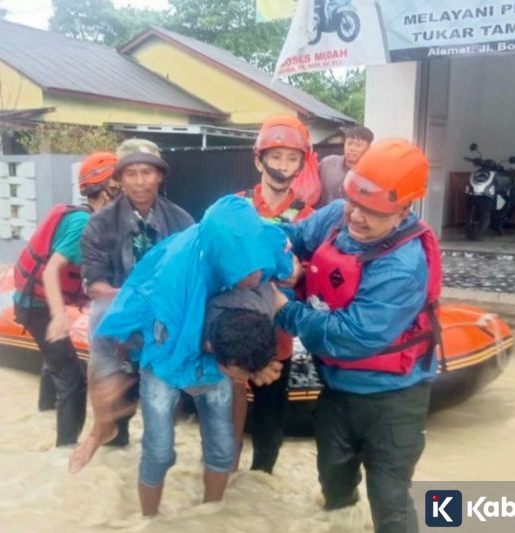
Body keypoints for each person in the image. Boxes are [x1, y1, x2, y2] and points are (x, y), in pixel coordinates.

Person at [272, 139, 442, 533]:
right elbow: (291, 237)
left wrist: (283, 309)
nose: (357, 217)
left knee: (390, 502)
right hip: (336, 389)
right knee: (333, 483)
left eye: (373, 211)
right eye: (354, 202)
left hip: (393, 400)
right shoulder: (338, 215)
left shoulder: (403, 266)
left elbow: (351, 336)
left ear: (403, 210)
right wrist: (284, 262)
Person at [92, 195, 295, 516]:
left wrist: (254, 361)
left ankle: (209, 518)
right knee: (159, 451)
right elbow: (146, 339)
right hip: (166, 350)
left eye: (258, 267)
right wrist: (118, 378)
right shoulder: (175, 279)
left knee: (222, 447)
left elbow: (283, 270)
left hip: (222, 347)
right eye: (245, 271)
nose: (255, 277)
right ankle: (149, 520)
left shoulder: (261, 250)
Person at [71, 138, 194, 463]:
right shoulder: (99, 224)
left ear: (159, 176)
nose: (140, 181)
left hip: (164, 318)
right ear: (119, 179)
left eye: (147, 172)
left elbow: (191, 278)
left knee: (163, 418)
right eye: (131, 173)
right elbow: (94, 284)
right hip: (117, 316)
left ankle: (159, 448)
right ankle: (103, 428)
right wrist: (134, 299)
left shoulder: (182, 222)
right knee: (100, 321)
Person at [13, 151, 121, 447]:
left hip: (34, 300)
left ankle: (44, 413)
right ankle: (64, 452)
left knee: (55, 361)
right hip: (38, 306)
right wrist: (60, 316)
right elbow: (51, 271)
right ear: (106, 191)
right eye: (119, 187)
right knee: (73, 378)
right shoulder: (83, 224)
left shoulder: (88, 218)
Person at [235, 114, 315, 474]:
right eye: (276, 157)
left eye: (292, 158)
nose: (283, 166)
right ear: (259, 161)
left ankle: (262, 485)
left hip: (278, 337)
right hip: (231, 331)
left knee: (269, 423)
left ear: (301, 164)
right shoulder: (234, 207)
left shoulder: (310, 217)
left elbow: (315, 274)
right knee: (223, 417)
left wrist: (300, 273)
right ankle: (220, 486)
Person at [317, 125, 374, 208]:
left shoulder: (372, 172)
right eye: (349, 144)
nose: (352, 148)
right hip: (324, 213)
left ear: (368, 148)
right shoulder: (328, 163)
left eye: (358, 145)